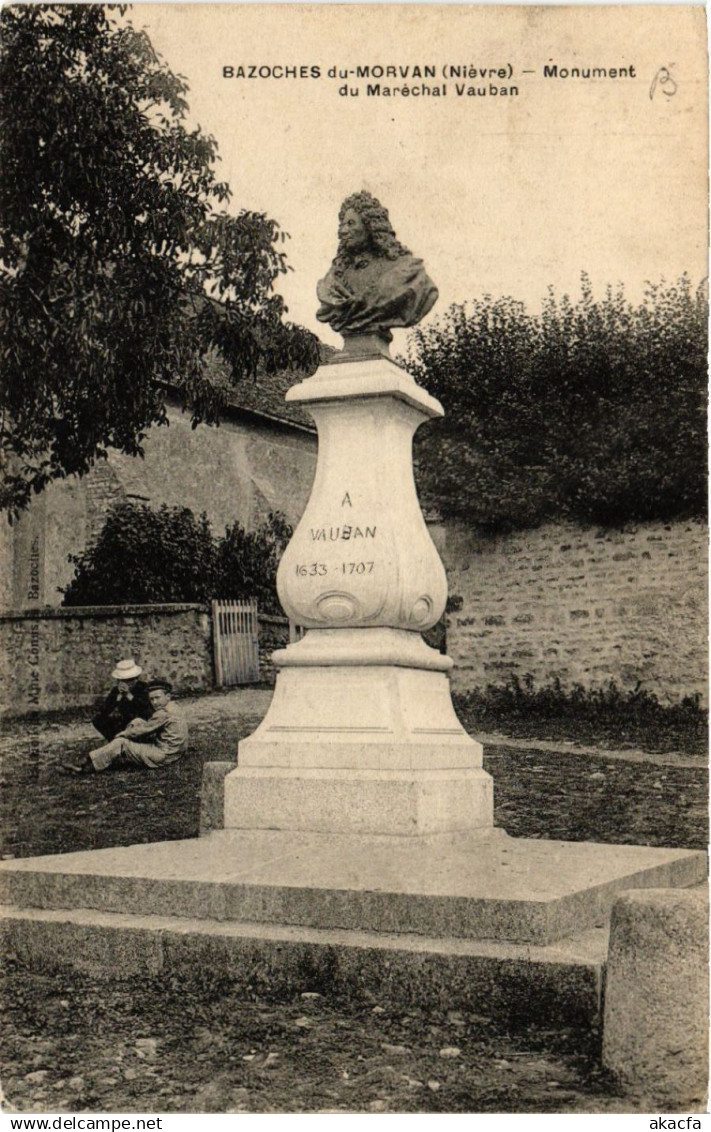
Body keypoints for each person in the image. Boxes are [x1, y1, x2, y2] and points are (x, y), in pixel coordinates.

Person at [316, 191, 438, 344]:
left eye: (351, 224)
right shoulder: (334, 279)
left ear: (370, 226)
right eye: (342, 225)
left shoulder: (407, 270)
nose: (343, 231)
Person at [69, 679, 188, 775]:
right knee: (137, 721)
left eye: (157, 698)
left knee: (121, 742)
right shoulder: (173, 706)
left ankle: (85, 766)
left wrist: (122, 734)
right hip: (175, 750)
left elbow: (142, 731)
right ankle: (99, 757)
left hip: (165, 754)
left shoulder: (164, 713)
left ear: (168, 696)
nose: (154, 702)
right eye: (152, 699)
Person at [92, 658, 153, 741]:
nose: (126, 683)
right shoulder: (116, 690)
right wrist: (118, 697)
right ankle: (115, 741)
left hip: (139, 721)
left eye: (129, 680)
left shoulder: (143, 688)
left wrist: (129, 695)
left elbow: (145, 708)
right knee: (99, 719)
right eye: (123, 680)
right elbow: (106, 709)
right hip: (123, 720)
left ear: (135, 679)